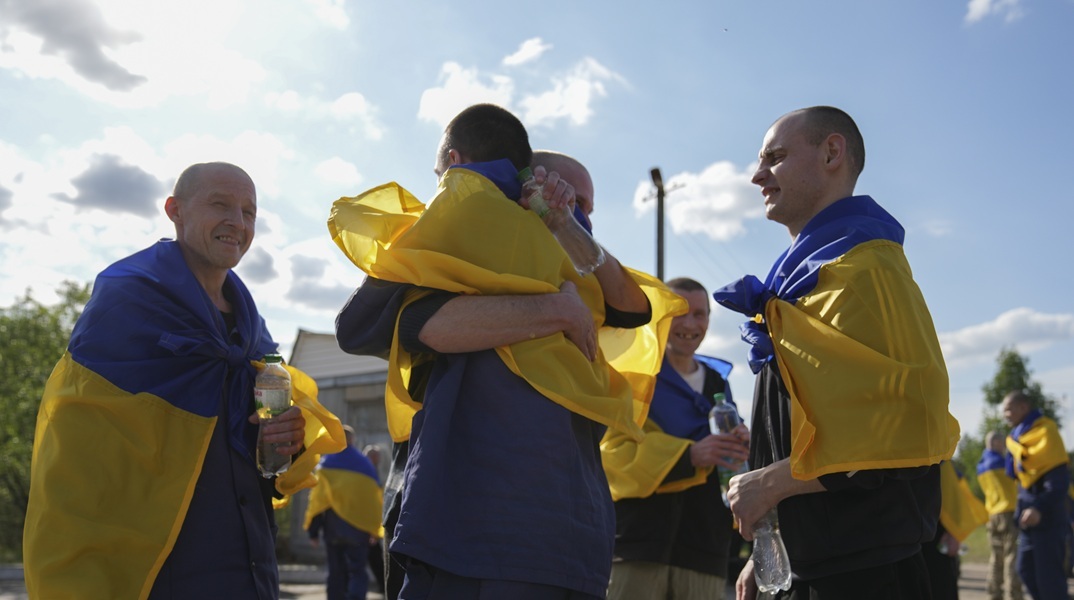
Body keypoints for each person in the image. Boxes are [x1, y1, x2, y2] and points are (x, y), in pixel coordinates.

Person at [329, 103, 685, 598]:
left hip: (570, 529)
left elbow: (632, 308)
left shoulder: (571, 265)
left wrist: (563, 224)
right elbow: (378, 325)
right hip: (472, 524)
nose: (581, 213)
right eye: (570, 196)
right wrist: (555, 310)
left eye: (587, 206)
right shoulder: (460, 239)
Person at [22, 161, 345, 599]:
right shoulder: (129, 302)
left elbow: (263, 459)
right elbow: (81, 449)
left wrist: (287, 440)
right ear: (175, 210)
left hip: (250, 564)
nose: (238, 222)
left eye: (249, 212)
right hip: (159, 567)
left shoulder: (253, 331)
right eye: (220, 205)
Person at [712, 106, 960, 600]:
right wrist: (772, 544)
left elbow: (908, 424)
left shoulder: (869, 268)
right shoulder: (803, 278)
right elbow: (812, 430)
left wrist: (775, 483)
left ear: (831, 153)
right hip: (806, 566)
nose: (757, 175)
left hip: (864, 572)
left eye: (775, 157)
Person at [602, 276, 749, 600]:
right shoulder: (634, 377)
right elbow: (611, 454)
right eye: (679, 312)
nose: (689, 324)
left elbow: (729, 467)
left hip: (705, 553)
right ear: (661, 315)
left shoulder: (718, 384)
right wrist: (690, 455)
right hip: (637, 549)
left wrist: (741, 444)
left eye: (699, 314)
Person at [1002, 390, 1071, 600]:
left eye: (1008, 409)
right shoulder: (1016, 438)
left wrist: (1038, 508)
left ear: (1023, 407)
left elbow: (1058, 483)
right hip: (1027, 521)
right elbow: (1020, 481)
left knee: (1050, 580)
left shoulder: (1046, 432)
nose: (1005, 414)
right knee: (1025, 571)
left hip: (1048, 519)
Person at [306, 425, 384, 600]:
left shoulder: (326, 464)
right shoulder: (366, 466)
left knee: (335, 572)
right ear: (352, 440)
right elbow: (374, 501)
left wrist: (313, 532)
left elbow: (318, 501)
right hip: (359, 530)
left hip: (333, 529)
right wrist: (374, 529)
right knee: (357, 570)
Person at [921, 460, 989, 600]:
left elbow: (952, 495)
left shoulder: (938, 457)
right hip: (909, 535)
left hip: (937, 536)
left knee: (941, 587)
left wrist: (953, 532)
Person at [978, 430, 1025, 600]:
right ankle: (1014, 595)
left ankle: (994, 594)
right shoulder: (1002, 462)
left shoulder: (981, 465)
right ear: (997, 443)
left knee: (996, 558)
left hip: (993, 514)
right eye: (1003, 444)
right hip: (1008, 513)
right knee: (1012, 556)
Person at [362, 443, 388, 594]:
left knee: (374, 556)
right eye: (376, 456)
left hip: (370, 521)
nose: (379, 459)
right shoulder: (366, 471)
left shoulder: (372, 470)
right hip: (365, 522)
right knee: (373, 557)